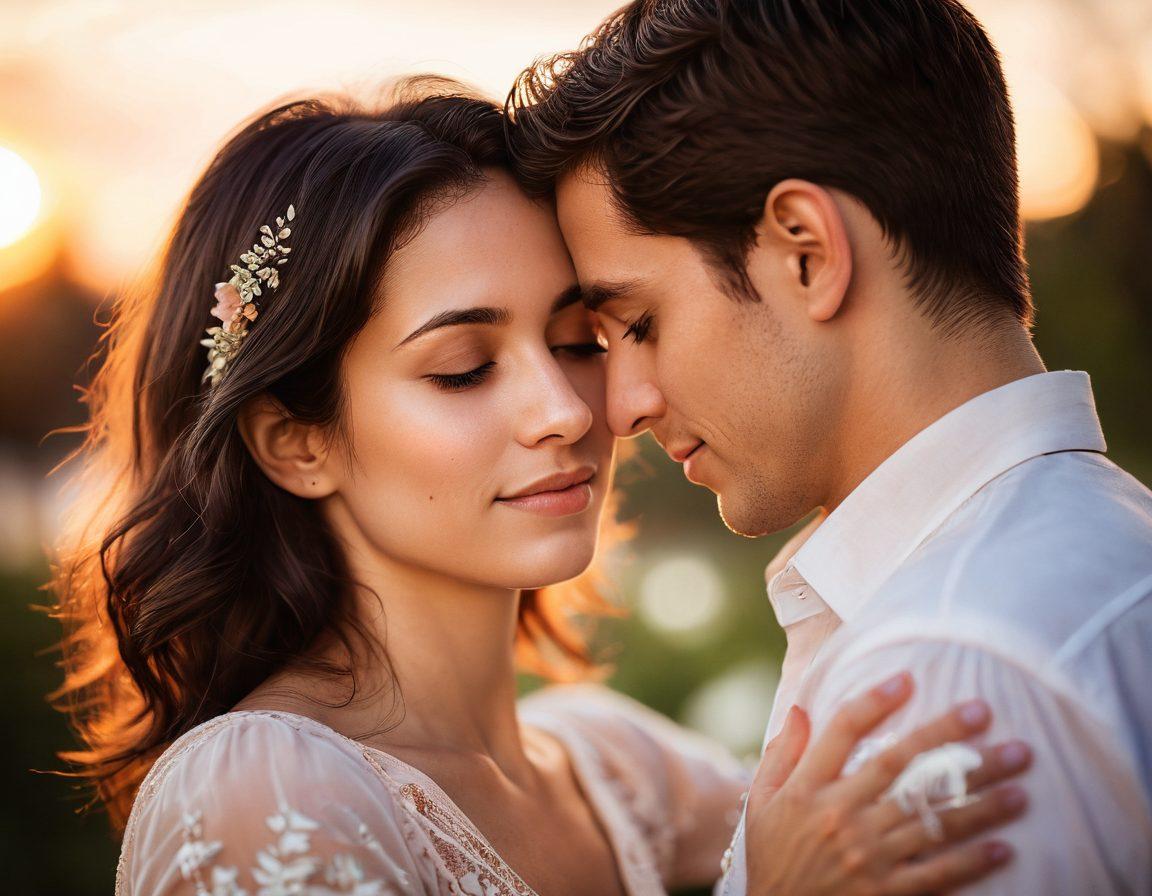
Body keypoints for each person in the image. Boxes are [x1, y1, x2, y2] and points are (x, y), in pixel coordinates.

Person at [49, 83, 1028, 896]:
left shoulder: (614, 769)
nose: (566, 406)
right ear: (296, 441)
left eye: (579, 340)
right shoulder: (260, 790)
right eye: (464, 367)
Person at [505, 0, 1152, 892]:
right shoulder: (1117, 546)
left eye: (641, 322)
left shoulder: (941, 679)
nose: (623, 408)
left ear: (805, 252)